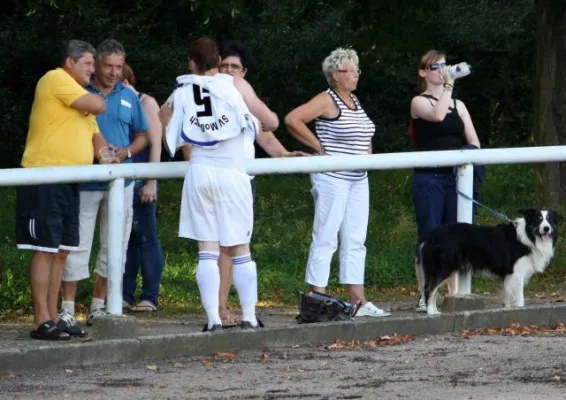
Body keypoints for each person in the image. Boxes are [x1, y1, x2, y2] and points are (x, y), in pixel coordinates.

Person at [161, 37, 279, 331]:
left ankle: (213, 319)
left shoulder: (182, 90)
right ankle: (250, 316)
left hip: (200, 171)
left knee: (207, 250)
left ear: (191, 63)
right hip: (232, 171)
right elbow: (268, 122)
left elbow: (164, 121)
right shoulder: (234, 86)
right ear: (218, 62)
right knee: (240, 249)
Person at [285, 47, 390, 317]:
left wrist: (368, 156)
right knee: (326, 236)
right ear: (335, 74)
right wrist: (319, 147)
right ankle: (315, 298)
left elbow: (364, 136)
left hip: (358, 178)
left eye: (357, 70)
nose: (356, 75)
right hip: (332, 178)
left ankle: (358, 300)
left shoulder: (354, 101)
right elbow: (292, 119)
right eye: (351, 70)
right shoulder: (327, 99)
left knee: (356, 239)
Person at [16, 39, 108, 340]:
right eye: (88, 64)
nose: (93, 71)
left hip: (70, 181)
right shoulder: (56, 78)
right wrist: (99, 98)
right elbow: (98, 105)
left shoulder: (81, 97)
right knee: (45, 249)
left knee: (62, 250)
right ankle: (40, 320)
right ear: (69, 62)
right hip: (44, 177)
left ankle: (55, 317)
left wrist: (113, 155)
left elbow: (97, 140)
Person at [214, 40, 309, 326]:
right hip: (217, 177)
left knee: (237, 245)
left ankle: (237, 309)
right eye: (224, 66)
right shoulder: (206, 93)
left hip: (244, 180)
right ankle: (217, 310)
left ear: (244, 71)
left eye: (235, 67)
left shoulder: (246, 99)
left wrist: (284, 154)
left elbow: (265, 134)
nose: (230, 71)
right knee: (218, 246)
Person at [60, 39, 150, 326]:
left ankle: (99, 306)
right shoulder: (77, 90)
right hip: (86, 180)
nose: (113, 72)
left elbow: (143, 135)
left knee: (114, 246)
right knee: (76, 245)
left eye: (119, 67)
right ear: (96, 65)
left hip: (120, 183)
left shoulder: (130, 96)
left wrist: (127, 152)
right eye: (108, 66)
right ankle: (67, 308)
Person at [410, 50, 481, 312]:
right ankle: (425, 293)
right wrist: (449, 84)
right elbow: (438, 116)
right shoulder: (419, 102)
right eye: (435, 66)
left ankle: (453, 293)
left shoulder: (459, 105)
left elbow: (474, 141)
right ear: (423, 72)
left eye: (444, 65)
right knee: (428, 236)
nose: (441, 70)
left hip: (455, 179)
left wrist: (467, 159)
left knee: (456, 237)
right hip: (429, 178)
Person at [120, 62, 165, 312]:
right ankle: (125, 294)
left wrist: (152, 181)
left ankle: (150, 296)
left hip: (142, 180)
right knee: (127, 239)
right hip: (124, 181)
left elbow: (154, 142)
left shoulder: (146, 102)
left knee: (147, 238)